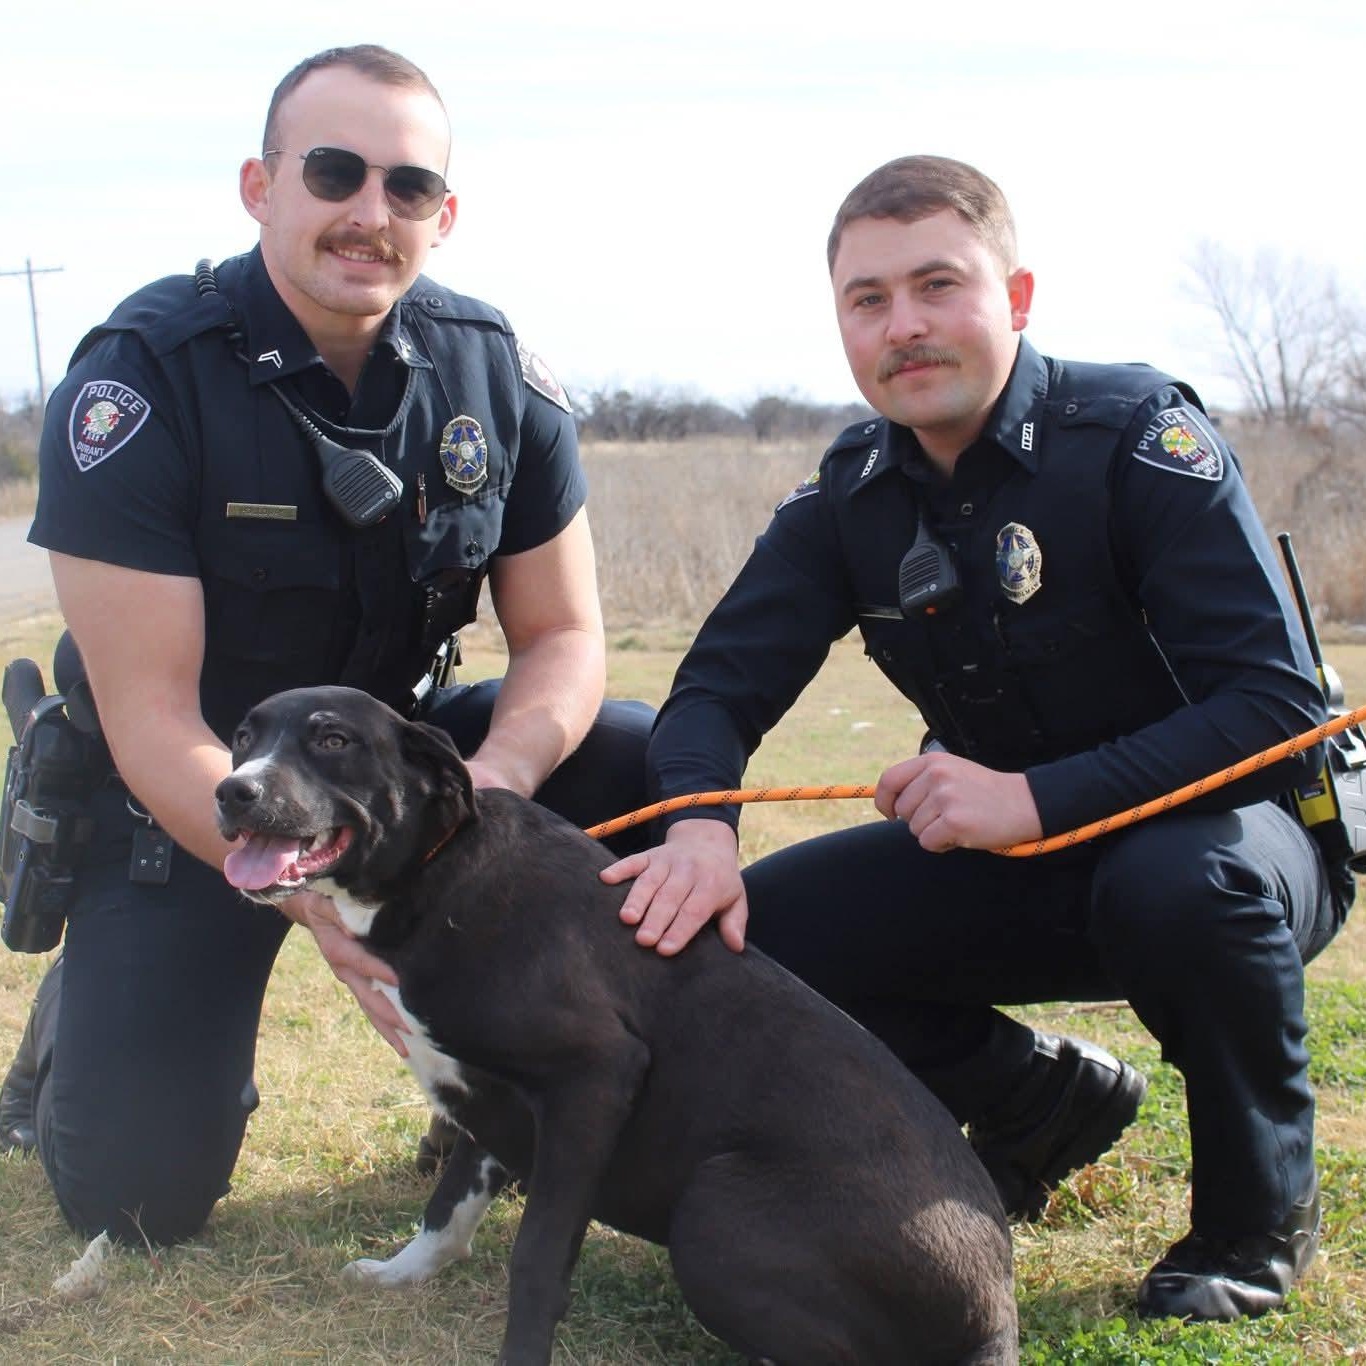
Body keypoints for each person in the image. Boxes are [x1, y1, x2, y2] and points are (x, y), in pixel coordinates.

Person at [601, 155, 1355, 1322]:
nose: (902, 326)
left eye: (936, 285)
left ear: (1015, 295)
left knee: (1175, 883)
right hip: (1025, 861)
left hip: (1235, 842)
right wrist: (699, 825)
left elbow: (1272, 706)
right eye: (867, 299)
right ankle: (1036, 1100)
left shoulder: (1135, 440)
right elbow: (711, 690)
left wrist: (1035, 799)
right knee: (764, 936)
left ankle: (1256, 1218)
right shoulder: (850, 495)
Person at [0, 44, 652, 1245]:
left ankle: (502, 1090)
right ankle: (66, 1034)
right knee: (135, 1195)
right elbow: (152, 718)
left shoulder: (492, 372)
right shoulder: (144, 380)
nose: (370, 213)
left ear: (441, 214)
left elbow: (560, 636)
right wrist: (322, 903)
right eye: (335, 171)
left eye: (407, 188)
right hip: (195, 794)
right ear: (261, 187)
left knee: (634, 761)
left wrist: (482, 807)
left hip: (382, 761)